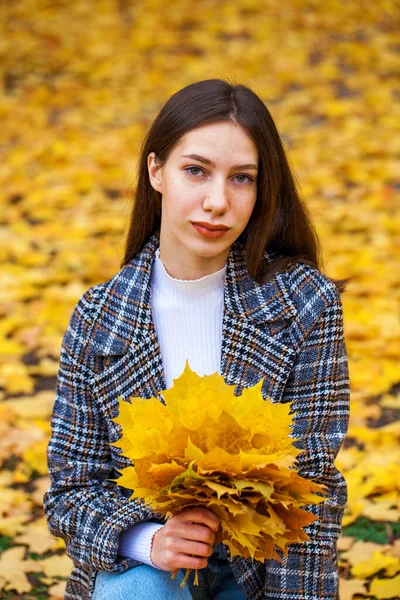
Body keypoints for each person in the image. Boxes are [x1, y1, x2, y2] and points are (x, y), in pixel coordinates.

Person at [43, 78, 350, 600]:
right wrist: (149, 541)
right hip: (145, 567)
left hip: (259, 567)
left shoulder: (304, 303)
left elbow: (312, 484)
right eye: (196, 170)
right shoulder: (100, 319)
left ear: (261, 190)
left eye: (242, 179)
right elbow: (71, 491)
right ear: (156, 170)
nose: (217, 202)